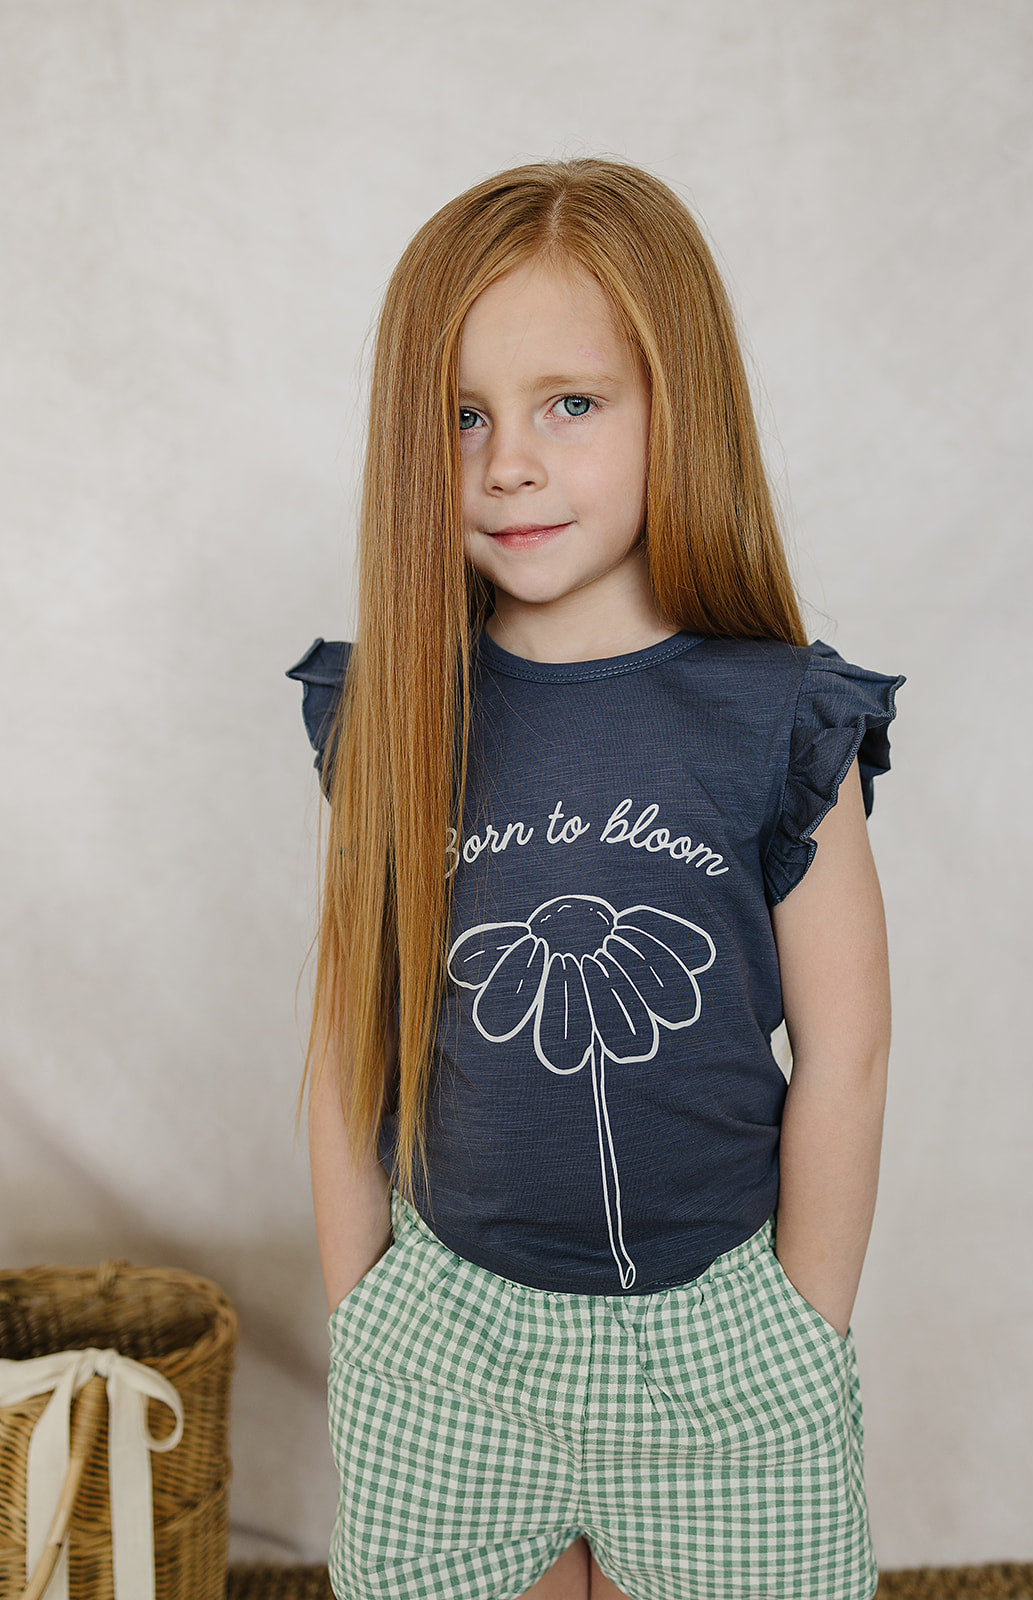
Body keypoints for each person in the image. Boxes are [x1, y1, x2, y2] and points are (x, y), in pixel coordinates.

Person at [286, 157, 905, 1600]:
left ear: (675, 406)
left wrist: (803, 1329)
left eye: (569, 404)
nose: (509, 460)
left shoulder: (779, 716)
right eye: (464, 416)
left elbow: (850, 1051)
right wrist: (364, 1309)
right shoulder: (395, 713)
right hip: (449, 1343)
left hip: (719, 1345)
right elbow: (345, 1040)